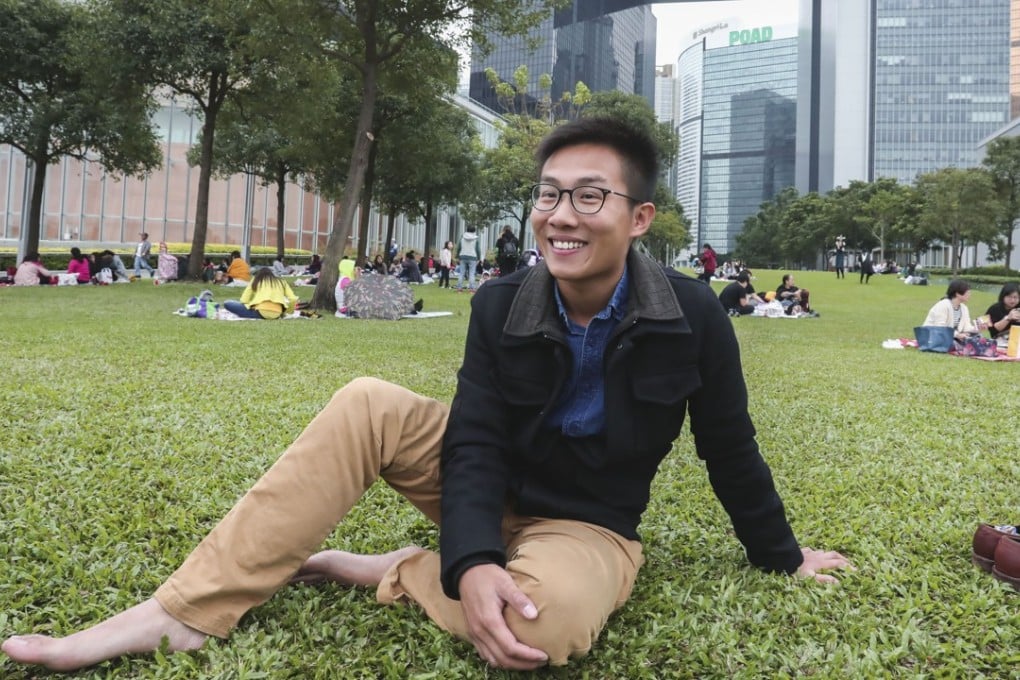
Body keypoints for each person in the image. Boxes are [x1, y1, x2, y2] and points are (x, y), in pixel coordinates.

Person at [1, 117, 852, 675]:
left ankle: (398, 571)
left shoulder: (691, 313)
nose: (562, 214)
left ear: (638, 218)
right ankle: (185, 612)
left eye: (590, 196)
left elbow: (729, 446)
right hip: (490, 487)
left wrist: (783, 555)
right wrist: (476, 557)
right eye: (551, 194)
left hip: (587, 524)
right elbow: (474, 439)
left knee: (539, 629)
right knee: (368, 398)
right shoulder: (501, 302)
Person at [222, 268, 299, 320]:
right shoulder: (282, 282)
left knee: (227, 303)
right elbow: (293, 299)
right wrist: (287, 312)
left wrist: (250, 305)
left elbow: (244, 300)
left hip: (260, 312)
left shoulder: (256, 280)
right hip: (277, 314)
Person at [456, 225, 480, 291]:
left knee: (461, 273)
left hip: (463, 256)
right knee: (471, 273)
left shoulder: (462, 237)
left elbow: (459, 248)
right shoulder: (475, 239)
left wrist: (457, 256)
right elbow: (478, 249)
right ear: (474, 231)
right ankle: (472, 289)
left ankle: (459, 288)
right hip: (472, 257)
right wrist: (479, 258)